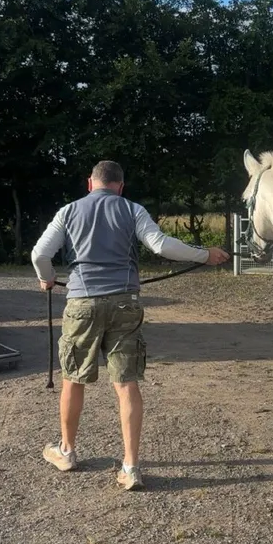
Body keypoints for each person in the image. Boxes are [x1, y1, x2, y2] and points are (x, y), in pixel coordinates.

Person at [31, 160, 229, 490]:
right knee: (127, 383)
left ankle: (66, 451)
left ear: (89, 184)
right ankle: (131, 467)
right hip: (125, 302)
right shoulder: (132, 209)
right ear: (120, 186)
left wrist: (47, 279)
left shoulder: (68, 212)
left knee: (73, 379)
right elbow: (161, 245)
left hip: (82, 302)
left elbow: (40, 254)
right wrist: (203, 255)